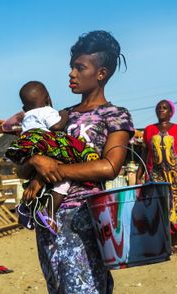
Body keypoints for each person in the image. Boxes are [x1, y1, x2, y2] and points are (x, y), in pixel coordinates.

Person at [17, 30, 134, 293]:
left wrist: (55, 169)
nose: (72, 73)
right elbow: (24, 167)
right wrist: (36, 160)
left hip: (85, 218)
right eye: (72, 67)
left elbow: (109, 166)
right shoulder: (57, 116)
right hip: (48, 219)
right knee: (57, 287)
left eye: (80, 68)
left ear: (101, 73)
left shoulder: (114, 116)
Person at [5, 81, 99, 234]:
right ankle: (50, 213)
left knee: (38, 182)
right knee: (64, 179)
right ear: (48, 99)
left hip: (31, 148)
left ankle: (26, 207)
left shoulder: (26, 117)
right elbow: (56, 127)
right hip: (46, 145)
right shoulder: (47, 110)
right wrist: (64, 114)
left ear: (24, 107)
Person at [136, 99, 177, 249]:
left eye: (165, 108)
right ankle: (165, 242)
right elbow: (144, 153)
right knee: (159, 207)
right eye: (159, 108)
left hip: (175, 176)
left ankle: (175, 240)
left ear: (171, 112)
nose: (161, 110)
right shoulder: (148, 130)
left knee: (175, 207)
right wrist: (139, 176)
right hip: (156, 176)